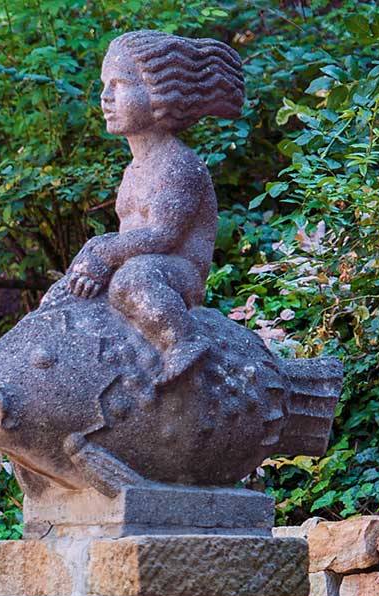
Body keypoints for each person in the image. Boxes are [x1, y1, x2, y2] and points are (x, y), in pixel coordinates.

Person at [58, 30, 245, 383]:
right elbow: (126, 237)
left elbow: (162, 235)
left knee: (133, 278)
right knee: (71, 284)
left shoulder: (179, 165)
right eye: (104, 85)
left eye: (119, 84)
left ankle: (183, 341)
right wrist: (92, 254)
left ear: (159, 95)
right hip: (139, 262)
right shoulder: (134, 171)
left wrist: (106, 254)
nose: (104, 97)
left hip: (176, 273)